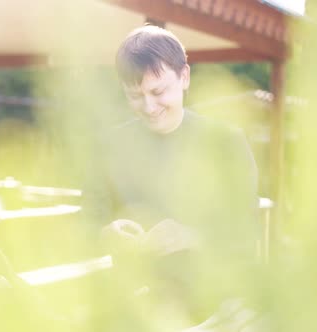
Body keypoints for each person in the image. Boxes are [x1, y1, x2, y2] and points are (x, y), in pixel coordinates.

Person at [82, 25, 260, 326]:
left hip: (213, 312)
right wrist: (106, 232)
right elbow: (87, 220)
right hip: (131, 311)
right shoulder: (107, 146)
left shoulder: (227, 143)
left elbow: (244, 233)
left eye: (158, 92)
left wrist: (194, 236)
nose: (149, 107)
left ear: (184, 77)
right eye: (135, 96)